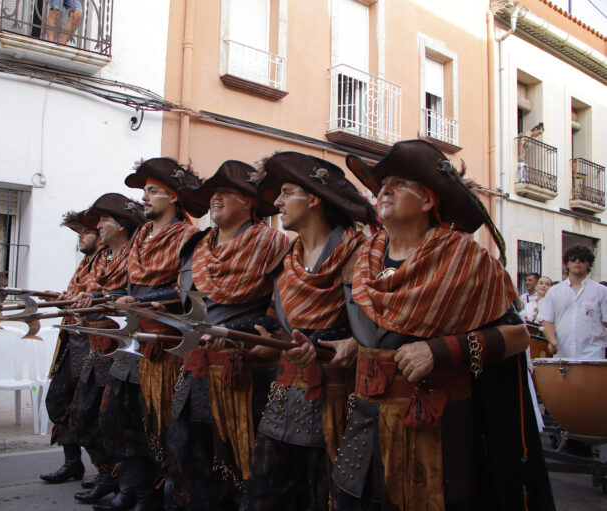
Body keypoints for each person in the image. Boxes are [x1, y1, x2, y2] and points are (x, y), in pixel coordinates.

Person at [329, 139, 554, 510]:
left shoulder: (466, 258)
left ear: (428, 201)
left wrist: (440, 350)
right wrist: (354, 346)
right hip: (363, 432)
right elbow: (379, 333)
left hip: (435, 435)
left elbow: (516, 336)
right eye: (381, 185)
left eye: (397, 184)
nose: (383, 190)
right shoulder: (363, 259)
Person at [244, 152, 378, 510]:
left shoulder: (362, 255)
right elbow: (275, 320)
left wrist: (352, 343)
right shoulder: (285, 259)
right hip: (283, 398)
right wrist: (264, 341)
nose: (276, 201)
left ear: (315, 199)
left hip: (337, 402)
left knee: (321, 498)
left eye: (287, 191)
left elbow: (379, 330)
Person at [163, 161, 289, 510]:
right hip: (194, 373)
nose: (215, 198)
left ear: (250, 201)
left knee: (240, 468)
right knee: (186, 459)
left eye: (225, 192)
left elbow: (282, 310)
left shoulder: (275, 245)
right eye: (212, 192)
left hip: (245, 377)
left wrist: (241, 336)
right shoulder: (195, 246)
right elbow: (190, 305)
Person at [94, 158, 202, 511]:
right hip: (132, 336)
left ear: (173, 197)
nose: (144, 197)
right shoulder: (140, 235)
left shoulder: (189, 236)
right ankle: (133, 488)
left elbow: (187, 292)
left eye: (153, 191)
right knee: (115, 415)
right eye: (144, 190)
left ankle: (155, 494)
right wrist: (107, 299)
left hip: (165, 343)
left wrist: (144, 301)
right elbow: (129, 286)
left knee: (160, 423)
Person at [67, 194, 147, 505]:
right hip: (95, 343)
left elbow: (131, 295)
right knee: (83, 415)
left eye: (104, 221)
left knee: (111, 418)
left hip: (120, 346)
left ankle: (123, 481)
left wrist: (102, 297)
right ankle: (110, 475)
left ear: (123, 226)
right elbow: (89, 291)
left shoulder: (134, 256)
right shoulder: (101, 260)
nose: (98, 227)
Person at [41, 209, 103, 485]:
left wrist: (72, 301)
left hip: (94, 342)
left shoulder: (108, 260)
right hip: (73, 339)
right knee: (58, 400)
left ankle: (108, 472)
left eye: (86, 230)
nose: (81, 235)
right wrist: (61, 299)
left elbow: (95, 300)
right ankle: (71, 463)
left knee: (88, 409)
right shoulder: (86, 263)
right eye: (78, 230)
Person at [538, 245, 607, 360]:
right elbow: (547, 320)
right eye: (573, 258)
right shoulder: (554, 291)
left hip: (593, 356)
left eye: (583, 259)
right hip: (562, 357)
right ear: (567, 263)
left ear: (589, 264)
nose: (577, 261)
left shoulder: (601, 291)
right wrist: (553, 341)